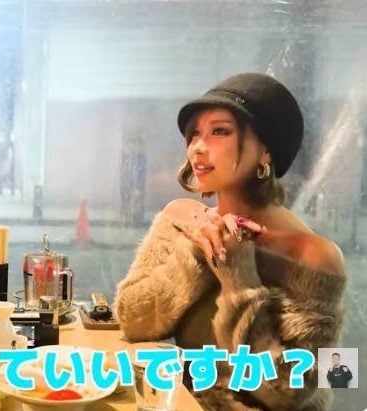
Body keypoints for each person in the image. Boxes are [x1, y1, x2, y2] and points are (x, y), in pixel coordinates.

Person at [113, 73, 346, 411]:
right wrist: (198, 252)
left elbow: (288, 392)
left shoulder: (313, 254)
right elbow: (132, 320)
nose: (198, 147)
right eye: (194, 133)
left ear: (266, 150)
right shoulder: (182, 219)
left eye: (220, 131)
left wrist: (236, 274)